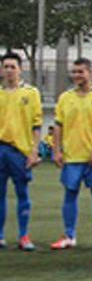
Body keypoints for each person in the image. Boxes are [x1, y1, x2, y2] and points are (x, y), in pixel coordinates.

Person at [51, 58, 92, 250]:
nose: (77, 75)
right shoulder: (65, 98)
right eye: (74, 72)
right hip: (72, 157)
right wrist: (56, 150)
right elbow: (58, 126)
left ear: (90, 73)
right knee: (70, 194)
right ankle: (69, 236)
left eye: (81, 72)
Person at [0, 51, 42, 251]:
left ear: (20, 69)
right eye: (5, 67)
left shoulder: (31, 93)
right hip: (0, 149)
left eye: (12, 67)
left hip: (20, 151)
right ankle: (0, 236)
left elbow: (37, 125)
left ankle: (23, 236)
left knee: (22, 193)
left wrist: (34, 151)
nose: (9, 70)